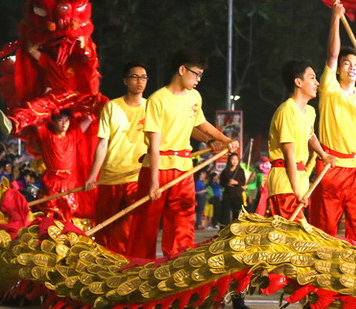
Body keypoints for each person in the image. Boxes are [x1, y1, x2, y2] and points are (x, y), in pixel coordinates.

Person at [129, 49, 238, 261]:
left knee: (183, 221)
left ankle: (178, 267)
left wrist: (225, 140)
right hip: (157, 167)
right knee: (146, 224)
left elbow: (202, 124)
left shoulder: (194, 97)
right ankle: (138, 268)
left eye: (200, 75)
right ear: (182, 69)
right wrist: (152, 183)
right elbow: (154, 143)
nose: (198, 79)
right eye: (196, 73)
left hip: (184, 168)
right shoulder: (157, 99)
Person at [308, 1, 356, 249]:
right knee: (326, 226)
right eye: (346, 64)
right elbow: (332, 54)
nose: (352, 68)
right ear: (338, 69)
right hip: (331, 165)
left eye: (355, 65)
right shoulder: (329, 87)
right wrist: (335, 18)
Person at [84, 62, 148, 255]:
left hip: (136, 178)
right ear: (125, 81)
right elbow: (102, 144)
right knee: (104, 227)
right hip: (110, 177)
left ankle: (125, 267)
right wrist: (92, 177)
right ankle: (104, 267)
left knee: (127, 229)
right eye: (135, 77)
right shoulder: (112, 107)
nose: (140, 81)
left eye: (144, 77)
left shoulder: (151, 108)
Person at [267, 60, 333, 220]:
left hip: (298, 180)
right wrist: (296, 191)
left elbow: (310, 135)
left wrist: (323, 155)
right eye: (312, 78)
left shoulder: (309, 111)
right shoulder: (286, 111)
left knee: (296, 238)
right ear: (298, 82)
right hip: (285, 183)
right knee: (292, 237)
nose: (317, 83)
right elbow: (289, 154)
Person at [32, 110, 92, 221]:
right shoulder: (46, 135)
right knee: (49, 213)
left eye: (67, 120)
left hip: (69, 183)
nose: (64, 124)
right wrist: (51, 100)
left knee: (68, 215)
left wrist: (77, 106)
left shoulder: (73, 135)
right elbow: (36, 117)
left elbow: (88, 119)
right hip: (52, 183)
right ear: (53, 121)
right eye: (60, 120)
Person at [219, 153, 247, 226]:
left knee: (237, 212)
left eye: (236, 160)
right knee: (225, 212)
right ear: (229, 160)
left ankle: (236, 227)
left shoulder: (240, 171)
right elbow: (221, 182)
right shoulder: (225, 171)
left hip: (237, 194)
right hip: (227, 193)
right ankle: (225, 227)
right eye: (233, 159)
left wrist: (236, 182)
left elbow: (243, 182)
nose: (235, 161)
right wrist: (227, 183)